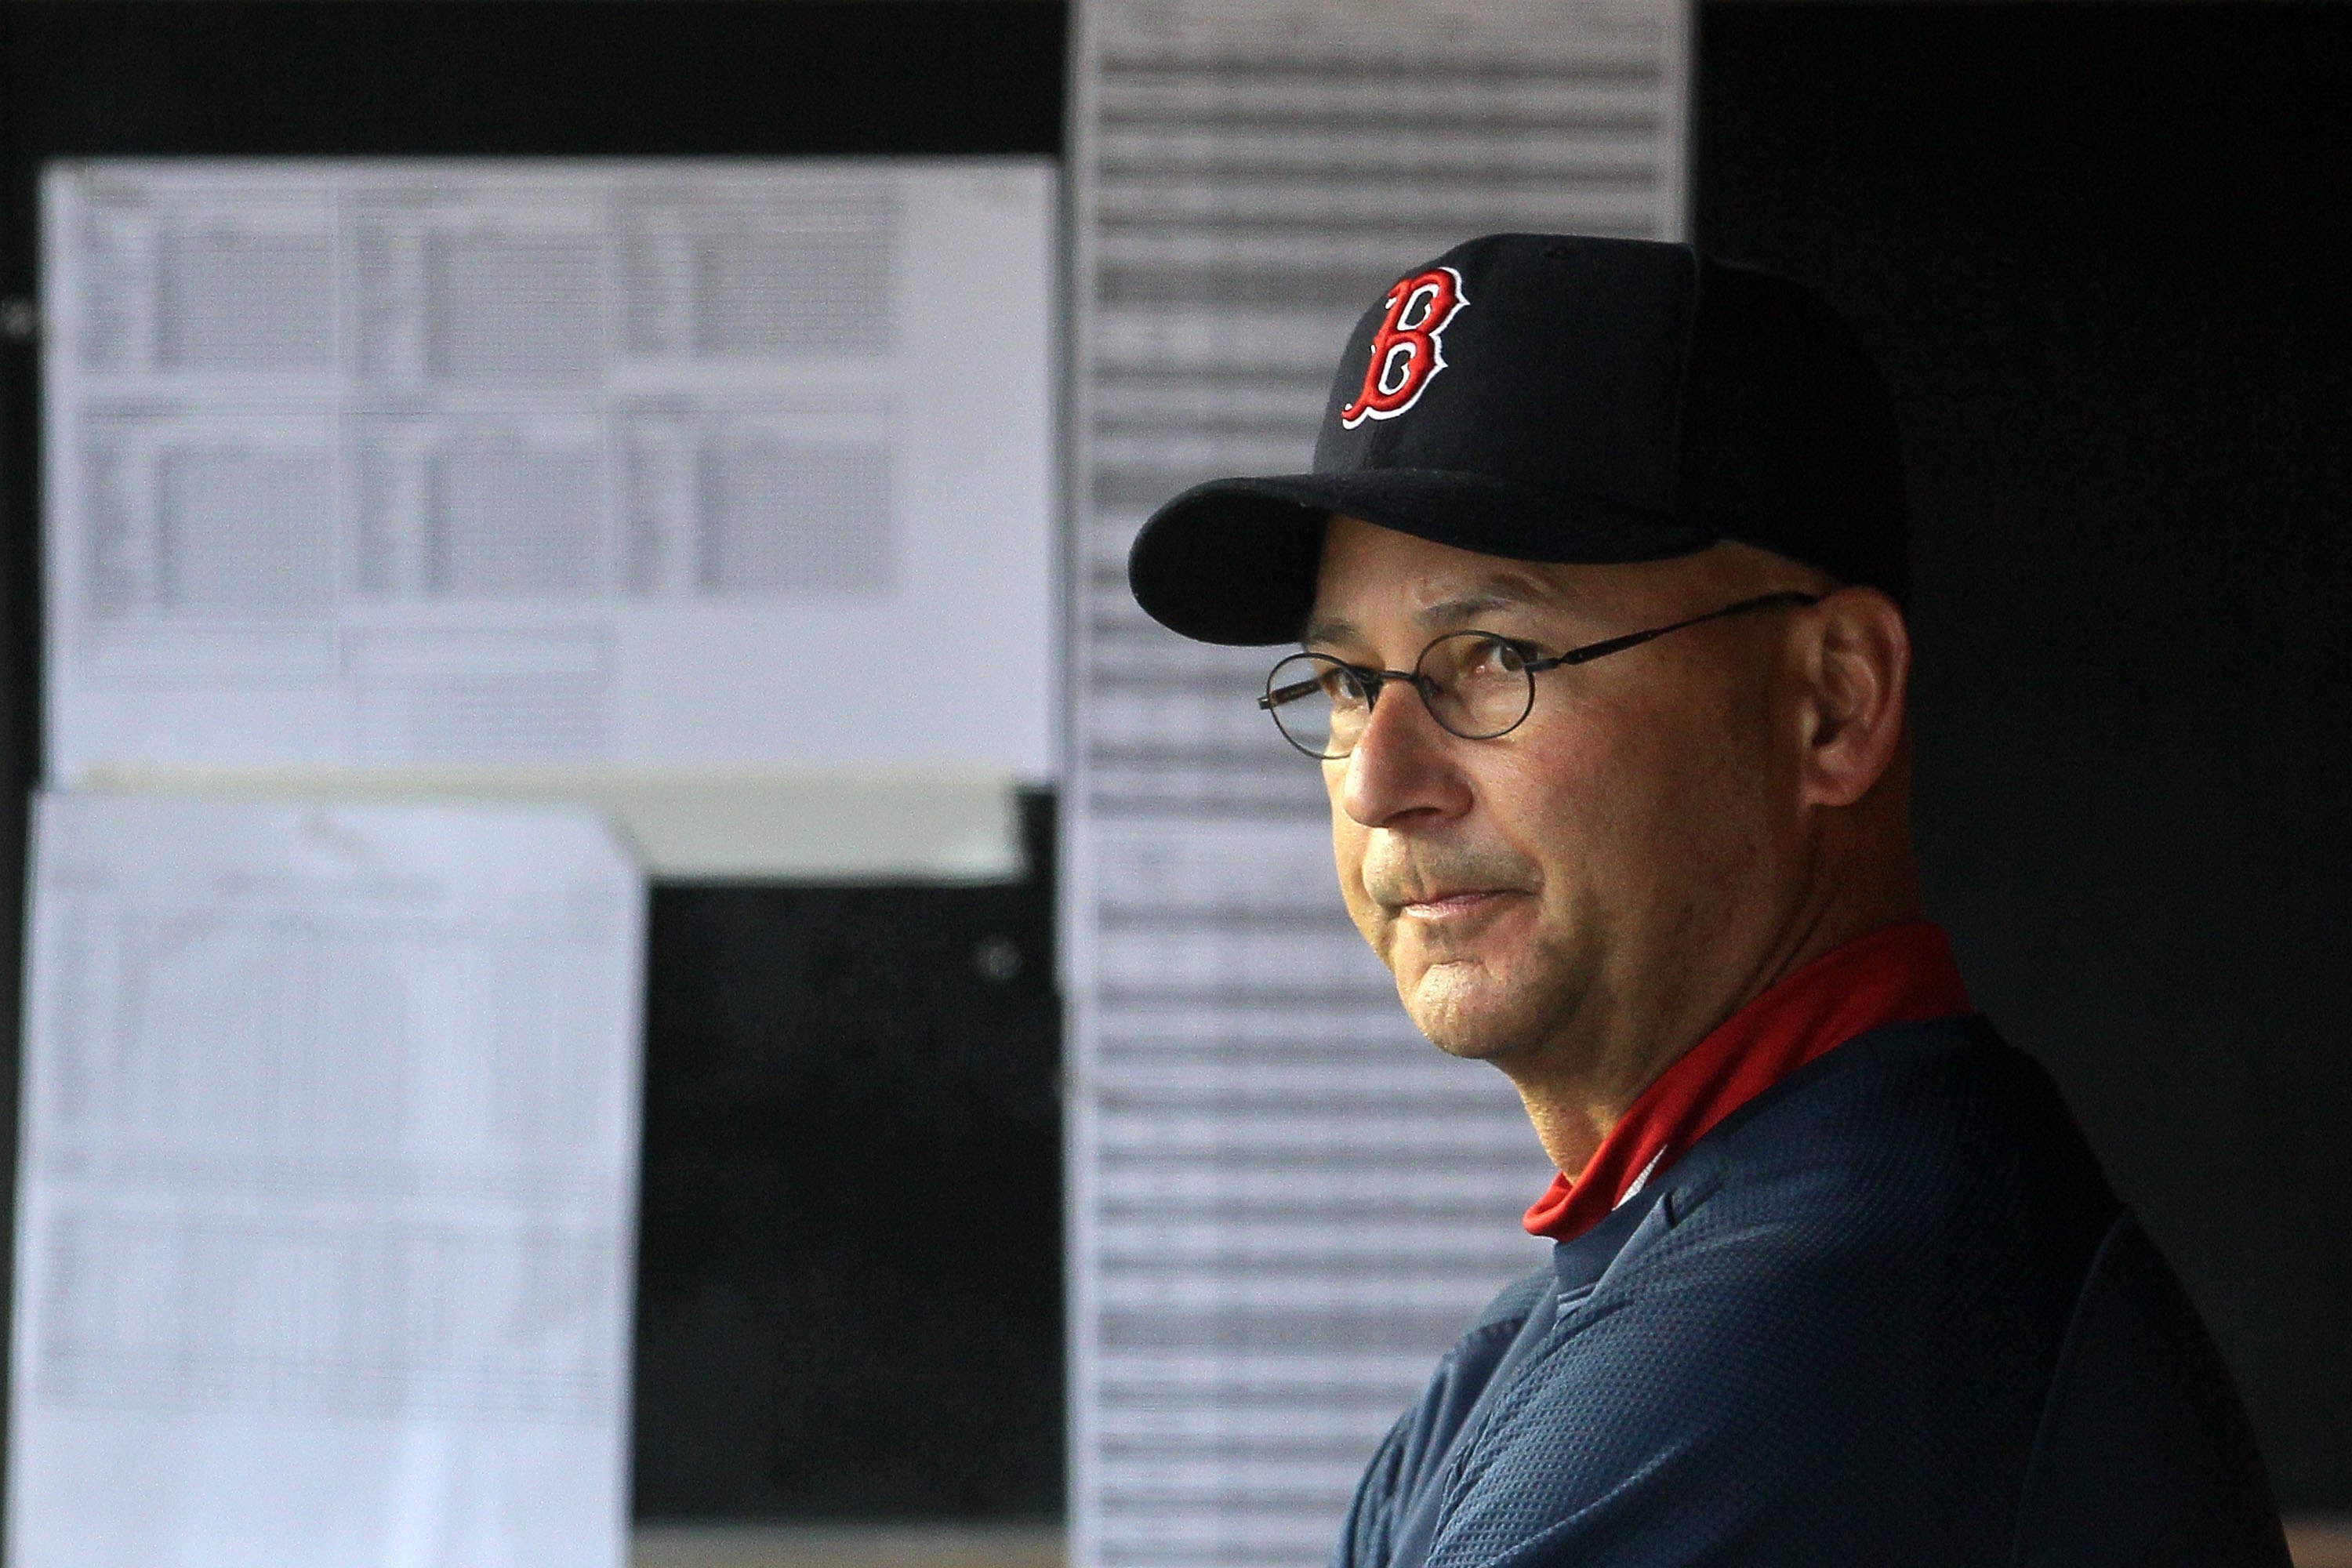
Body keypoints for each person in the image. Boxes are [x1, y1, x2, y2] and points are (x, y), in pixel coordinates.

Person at [1124, 234, 2288, 1566]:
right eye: (1343, 681)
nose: (1380, 778)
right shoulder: (1622, 1299)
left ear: (1833, 702)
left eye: (1494, 656)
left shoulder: (1799, 1341)